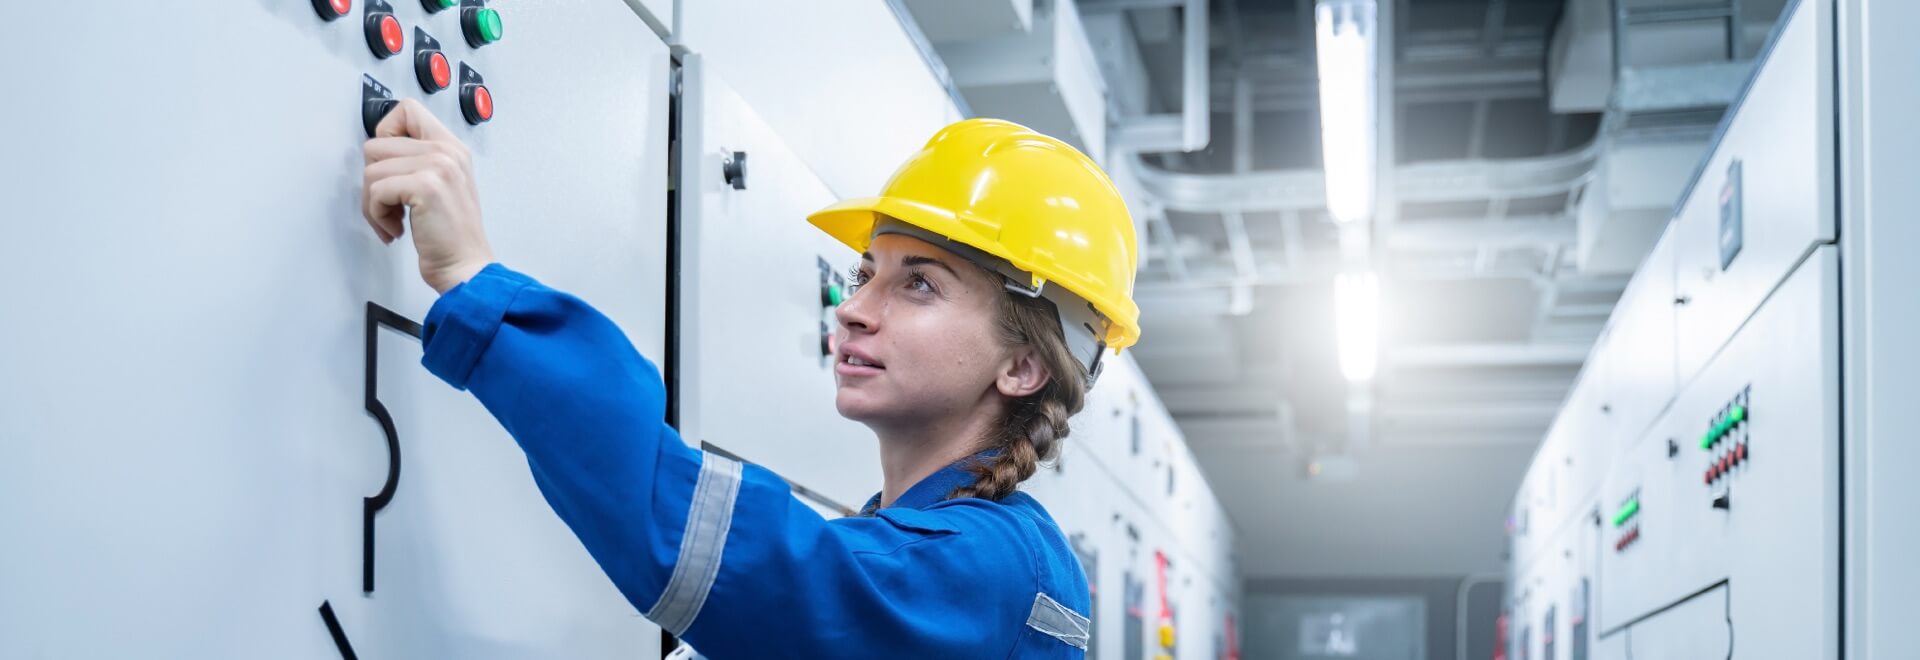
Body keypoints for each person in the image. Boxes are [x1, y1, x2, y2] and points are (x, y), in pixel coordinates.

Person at [362, 100, 1142, 658]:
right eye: (864, 274)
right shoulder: (926, 553)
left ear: (1023, 365)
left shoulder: (993, 567)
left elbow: (728, 548)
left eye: (918, 284)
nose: (853, 310)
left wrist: (474, 281)